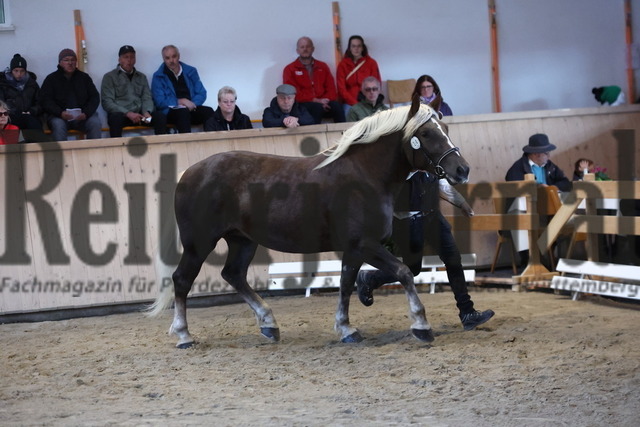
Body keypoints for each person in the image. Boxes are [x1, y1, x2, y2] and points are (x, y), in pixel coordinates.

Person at [356, 171, 495, 331]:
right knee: (413, 269)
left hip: (433, 217)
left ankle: (467, 313)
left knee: (453, 260)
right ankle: (370, 278)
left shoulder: (429, 162)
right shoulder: (403, 163)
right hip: (408, 221)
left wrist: (462, 203)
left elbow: (442, 185)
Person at [101, 45, 167, 137]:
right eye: (126, 57)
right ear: (119, 60)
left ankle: (161, 147)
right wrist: (128, 113)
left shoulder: (141, 77)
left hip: (141, 118)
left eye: (132, 57)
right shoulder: (109, 77)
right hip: (124, 117)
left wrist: (146, 112)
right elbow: (107, 102)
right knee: (115, 119)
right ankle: (117, 150)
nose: (129, 60)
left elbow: (147, 97)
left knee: (160, 117)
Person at [39, 49, 102, 141]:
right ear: (60, 62)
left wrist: (86, 113)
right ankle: (62, 154)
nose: (70, 63)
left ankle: (95, 153)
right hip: (59, 117)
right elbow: (45, 100)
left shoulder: (84, 78)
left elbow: (94, 97)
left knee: (95, 122)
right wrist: (60, 113)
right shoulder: (51, 79)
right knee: (58, 125)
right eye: (66, 60)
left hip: (82, 117)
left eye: (73, 60)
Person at [151, 45, 214, 133]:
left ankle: (211, 143)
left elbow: (201, 93)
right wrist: (180, 101)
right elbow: (159, 101)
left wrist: (192, 104)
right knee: (182, 113)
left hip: (191, 108)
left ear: (179, 56)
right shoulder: (158, 76)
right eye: (167, 58)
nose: (171, 61)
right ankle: (187, 145)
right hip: (171, 112)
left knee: (209, 111)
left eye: (174, 56)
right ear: (163, 59)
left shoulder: (191, 71)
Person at [283, 36, 345, 124]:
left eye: (308, 46)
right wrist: (315, 100)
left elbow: (331, 89)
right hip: (302, 105)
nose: (305, 49)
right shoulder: (290, 69)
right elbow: (292, 93)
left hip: (324, 103)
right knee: (316, 107)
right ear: (297, 50)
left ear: (313, 49)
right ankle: (313, 137)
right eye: (302, 47)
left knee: (337, 106)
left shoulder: (323, 66)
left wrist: (325, 101)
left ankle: (344, 135)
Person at [505, 133, 572, 191]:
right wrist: (537, 188)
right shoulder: (518, 168)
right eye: (546, 153)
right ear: (536, 154)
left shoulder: (549, 165)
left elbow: (565, 182)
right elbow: (513, 190)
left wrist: (553, 188)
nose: (549, 156)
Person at [0, 53, 44, 138]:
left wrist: (31, 111)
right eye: (16, 71)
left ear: (26, 71)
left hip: (30, 115)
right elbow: (1, 103)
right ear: (11, 70)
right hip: (10, 116)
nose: (19, 74)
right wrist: (16, 112)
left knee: (34, 124)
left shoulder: (32, 84)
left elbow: (40, 102)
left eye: (22, 71)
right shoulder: (3, 84)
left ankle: (39, 149)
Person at [336, 35, 381, 114]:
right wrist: (355, 103)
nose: (356, 49)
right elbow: (341, 89)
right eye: (353, 46)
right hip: (349, 103)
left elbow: (376, 85)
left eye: (359, 46)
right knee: (349, 119)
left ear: (362, 48)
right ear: (349, 48)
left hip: (369, 101)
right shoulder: (342, 65)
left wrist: (368, 102)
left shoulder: (371, 63)